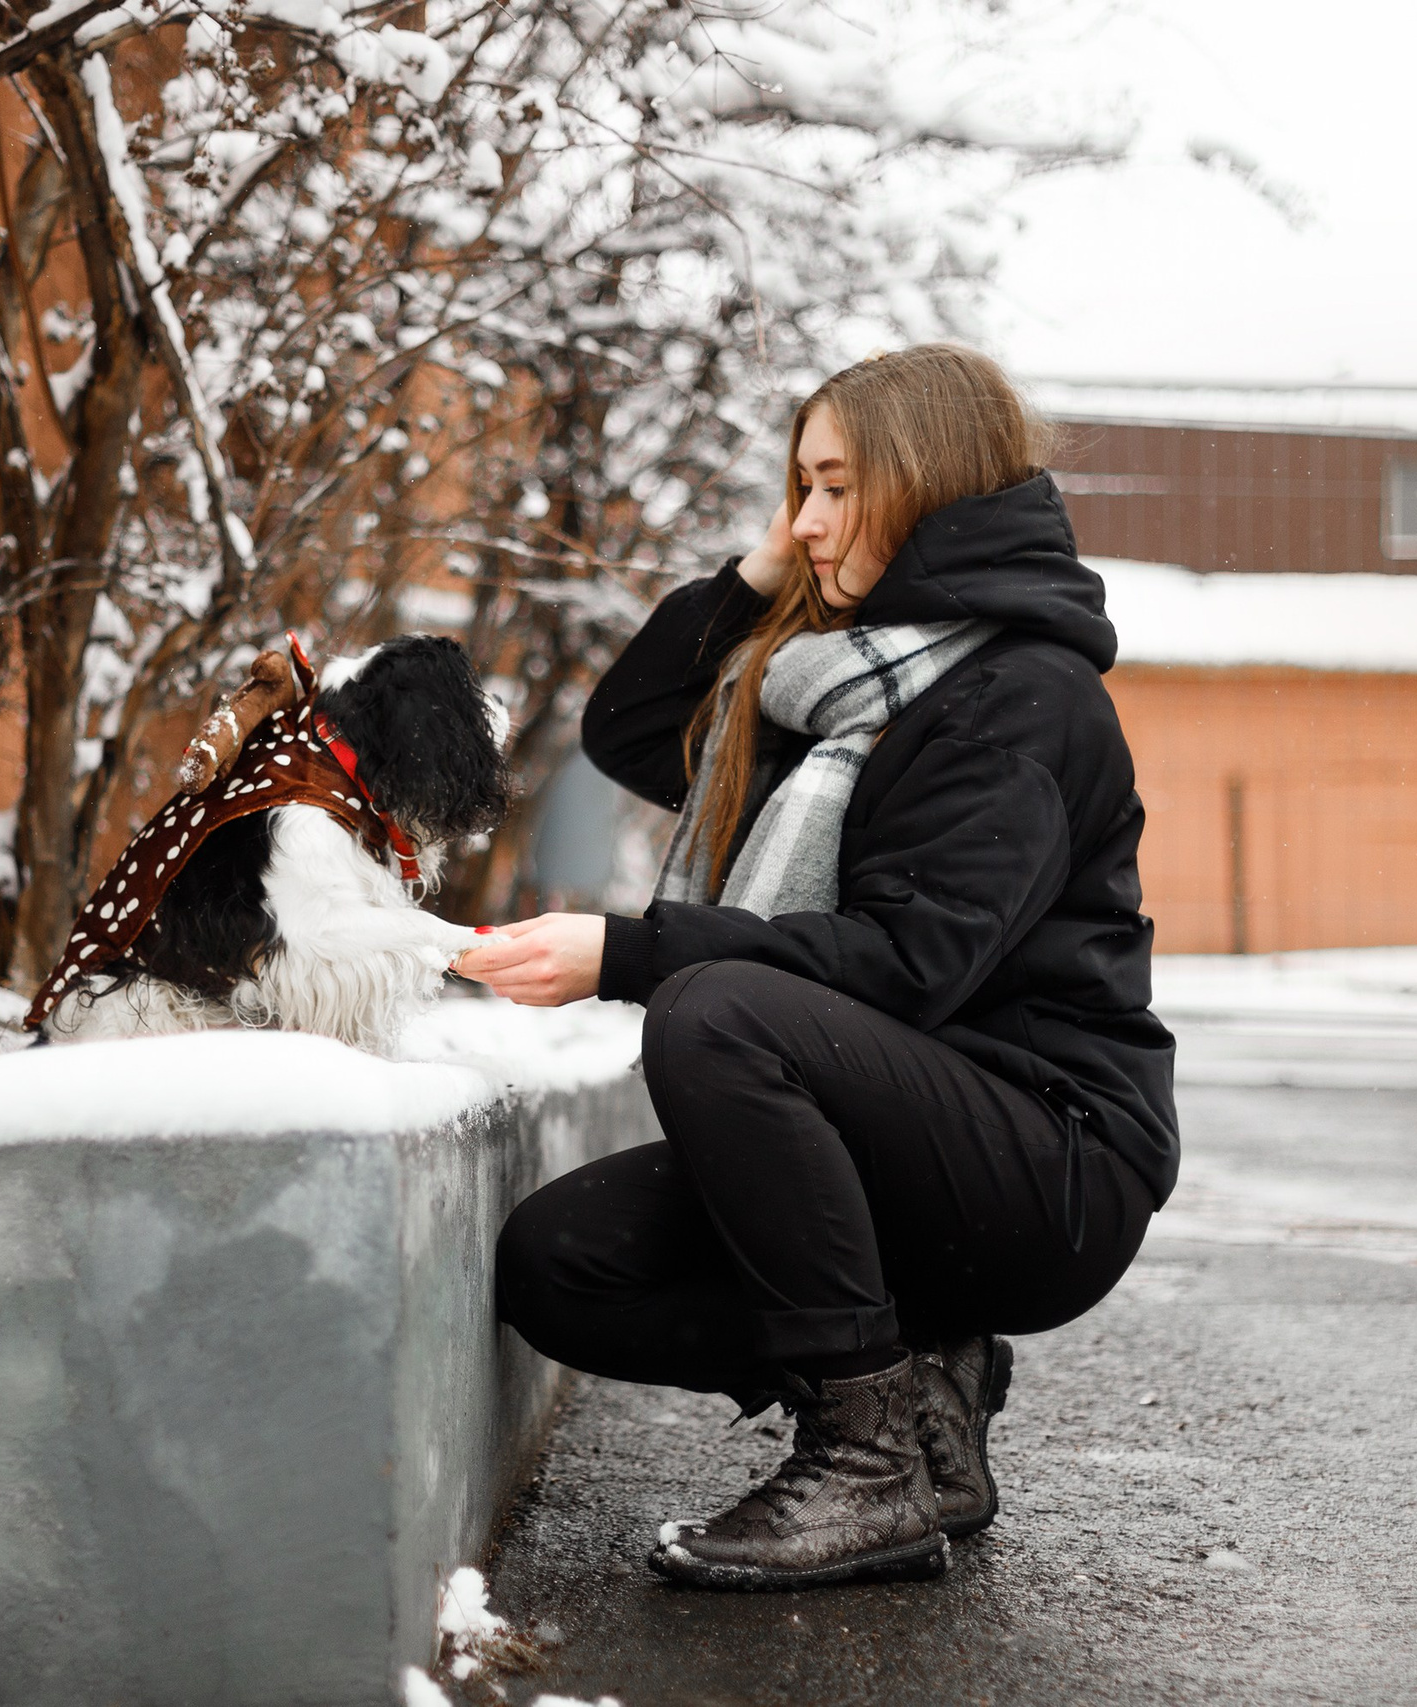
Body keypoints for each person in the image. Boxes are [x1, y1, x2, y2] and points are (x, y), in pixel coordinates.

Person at [455, 344, 1177, 1592]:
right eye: (799, 487)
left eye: (838, 486)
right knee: (559, 1263)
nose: (806, 518)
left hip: (1047, 1163)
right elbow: (633, 730)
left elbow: (906, 963)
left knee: (714, 1009)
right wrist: (767, 569)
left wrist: (627, 953)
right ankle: (920, 1397)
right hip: (895, 1147)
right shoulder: (832, 695)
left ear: (929, 481)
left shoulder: (1022, 696)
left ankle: (864, 1461)